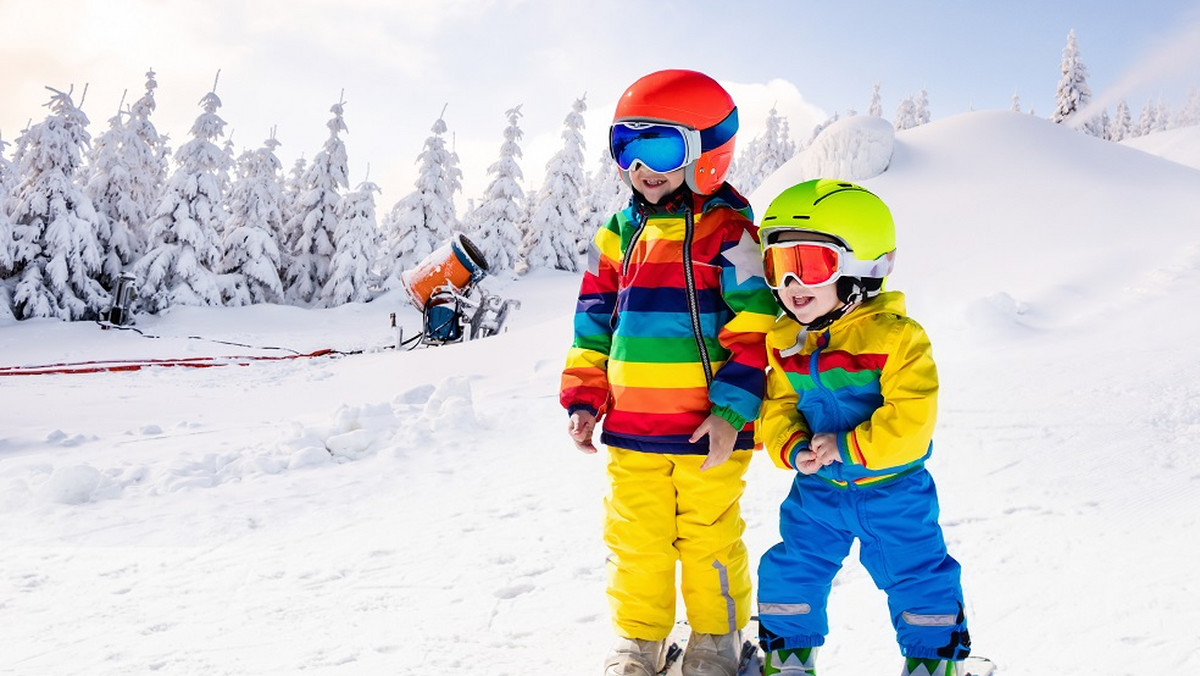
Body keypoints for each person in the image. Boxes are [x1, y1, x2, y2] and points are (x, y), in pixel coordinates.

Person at [560, 69, 778, 676]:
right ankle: (641, 640)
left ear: (707, 152)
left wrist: (733, 411)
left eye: (659, 146)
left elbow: (755, 324)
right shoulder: (620, 231)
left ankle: (716, 637)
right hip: (632, 429)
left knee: (709, 537)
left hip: (710, 430)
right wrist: (585, 396)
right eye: (626, 146)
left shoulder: (730, 232)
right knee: (636, 541)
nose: (641, 165)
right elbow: (593, 319)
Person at [753, 179, 972, 676]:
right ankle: (789, 658)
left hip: (894, 490)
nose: (790, 285)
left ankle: (931, 663)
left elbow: (911, 418)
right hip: (818, 491)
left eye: (809, 265)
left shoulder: (897, 338)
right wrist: (792, 446)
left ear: (860, 269)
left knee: (918, 576)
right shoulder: (787, 340)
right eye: (778, 267)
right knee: (791, 569)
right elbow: (778, 403)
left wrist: (849, 445)